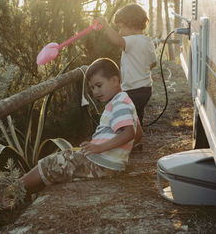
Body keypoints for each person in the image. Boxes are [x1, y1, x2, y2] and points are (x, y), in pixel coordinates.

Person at [20, 58, 142, 195]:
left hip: (100, 164)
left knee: (49, 163)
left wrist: (99, 148)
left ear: (115, 80)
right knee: (63, 159)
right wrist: (118, 154)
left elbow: (129, 133)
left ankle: (10, 192)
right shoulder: (125, 101)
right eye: (92, 88)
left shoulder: (119, 103)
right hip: (108, 164)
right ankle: (19, 195)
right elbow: (138, 133)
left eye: (99, 85)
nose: (95, 92)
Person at [97, 3, 157, 126]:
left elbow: (117, 41)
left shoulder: (132, 40)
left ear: (130, 25)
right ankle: (137, 141)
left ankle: (127, 139)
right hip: (145, 89)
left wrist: (105, 25)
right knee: (136, 118)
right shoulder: (147, 41)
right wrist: (141, 69)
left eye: (120, 28)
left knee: (125, 118)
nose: (120, 32)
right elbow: (153, 63)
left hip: (133, 90)